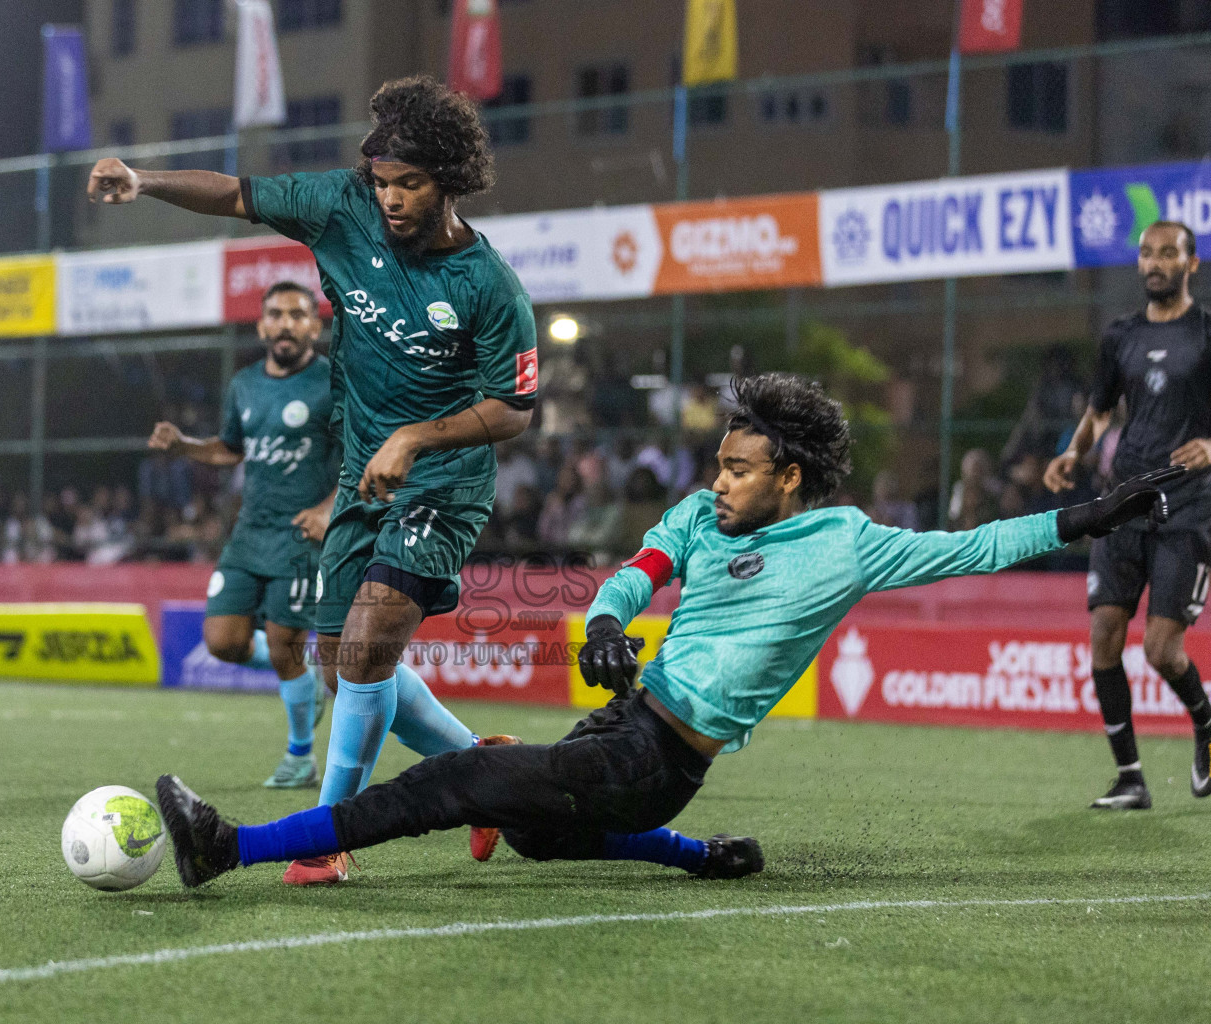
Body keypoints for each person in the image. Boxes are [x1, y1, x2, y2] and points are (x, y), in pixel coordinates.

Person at [149, 374, 1179, 890]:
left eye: (739, 467)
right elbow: (631, 581)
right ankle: (680, 849)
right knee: (546, 836)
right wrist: (603, 627)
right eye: (718, 461)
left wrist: (1092, 513)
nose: (717, 478)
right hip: (624, 724)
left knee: (446, 784)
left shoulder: (849, 544)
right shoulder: (696, 515)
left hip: (662, 759)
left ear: (790, 475)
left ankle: (228, 846)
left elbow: (981, 545)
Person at [92, 76, 537, 884]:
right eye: (383, 182)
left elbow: (514, 407)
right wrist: (145, 180)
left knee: (365, 652)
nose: (392, 199)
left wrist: (415, 436)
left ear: (451, 181)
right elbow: (235, 195)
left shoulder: (489, 285)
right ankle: (486, 774)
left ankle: (324, 841)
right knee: (341, 666)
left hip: (443, 485)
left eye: (412, 183)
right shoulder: (340, 206)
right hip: (363, 479)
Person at [1043, 219, 1211, 810]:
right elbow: (1099, 412)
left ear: (1192, 263)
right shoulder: (1119, 336)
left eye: (1169, 253)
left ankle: (1205, 724)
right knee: (1104, 637)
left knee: (1162, 650)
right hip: (1123, 504)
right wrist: (1073, 452)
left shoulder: (1207, 333)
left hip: (1188, 509)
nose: (1155, 262)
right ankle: (1131, 778)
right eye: (1146, 253)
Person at [148, 282, 339, 791]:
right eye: (275, 314)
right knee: (223, 642)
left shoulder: (332, 383)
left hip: (302, 536)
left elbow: (365, 451)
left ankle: (300, 756)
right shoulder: (245, 384)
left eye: (297, 315)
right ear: (261, 326)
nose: (285, 324)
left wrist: (328, 507)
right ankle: (301, 679)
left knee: (283, 649)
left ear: (314, 327)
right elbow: (231, 448)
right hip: (250, 533)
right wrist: (184, 445)